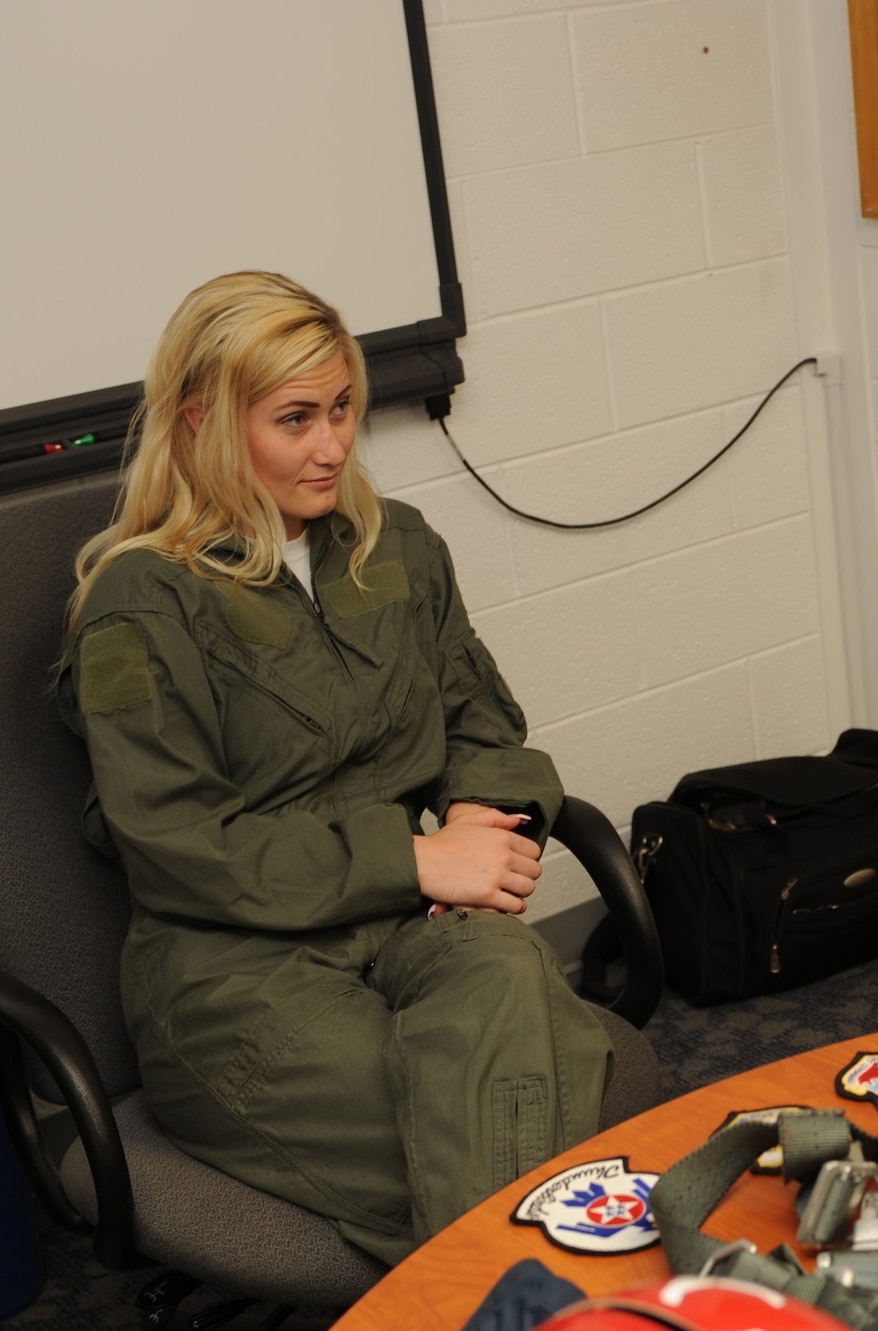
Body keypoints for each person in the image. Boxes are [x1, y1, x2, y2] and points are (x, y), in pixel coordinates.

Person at [57, 271, 613, 1265]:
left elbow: (483, 719)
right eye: (295, 417)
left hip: (415, 925)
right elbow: (176, 843)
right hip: (234, 972)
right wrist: (413, 858)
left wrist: (482, 823)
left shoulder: (396, 545)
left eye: (343, 407)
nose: (332, 444)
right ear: (202, 422)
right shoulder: (138, 604)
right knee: (521, 1099)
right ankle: (536, 1280)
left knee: (507, 991)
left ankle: (503, 1285)